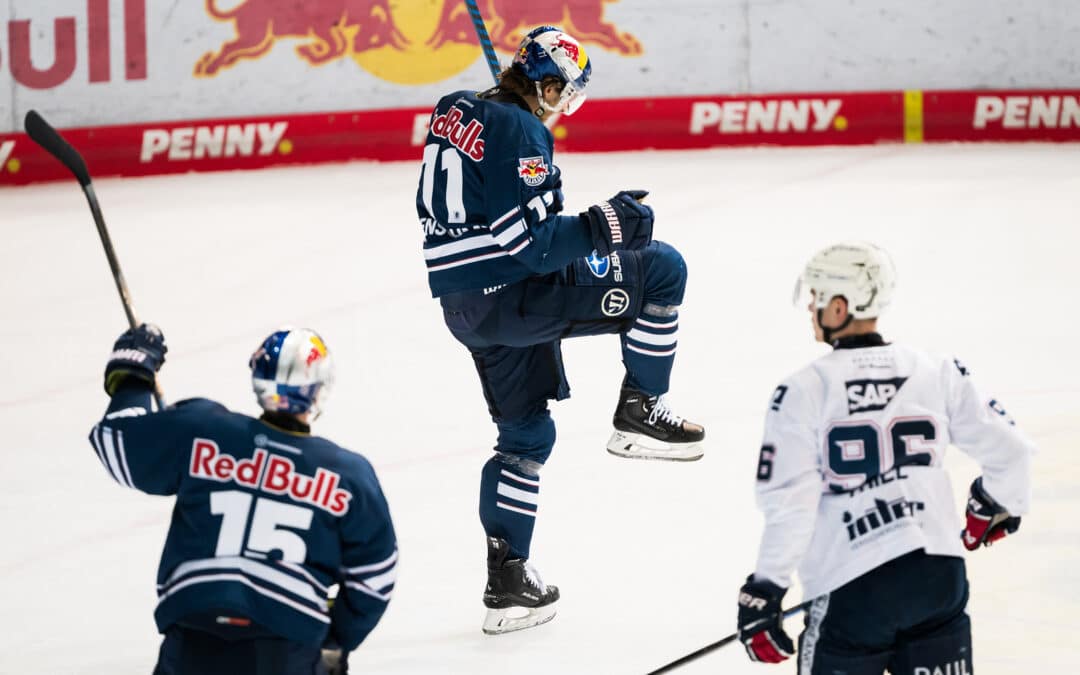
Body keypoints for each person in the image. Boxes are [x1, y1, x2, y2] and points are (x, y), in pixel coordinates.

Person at [415, 25, 705, 634]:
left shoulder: (455, 109)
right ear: (546, 83)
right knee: (662, 270)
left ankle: (509, 579)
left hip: (465, 309)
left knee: (525, 435)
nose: (565, 105)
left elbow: (490, 195)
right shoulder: (522, 129)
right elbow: (531, 245)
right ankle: (640, 409)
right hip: (514, 293)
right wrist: (606, 224)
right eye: (564, 92)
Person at [734, 242, 1034, 674]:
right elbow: (1013, 453)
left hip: (853, 590)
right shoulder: (937, 372)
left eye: (817, 297)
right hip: (937, 580)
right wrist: (992, 504)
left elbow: (791, 507)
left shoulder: (803, 391)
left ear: (840, 308)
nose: (811, 307)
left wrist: (766, 590)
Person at [89, 324, 397, 675]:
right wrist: (334, 639)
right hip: (286, 648)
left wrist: (133, 376)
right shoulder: (348, 474)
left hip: (194, 634)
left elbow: (117, 442)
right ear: (320, 390)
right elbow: (375, 576)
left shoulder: (201, 429)